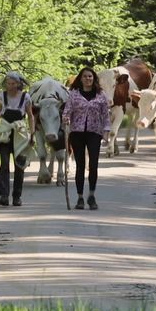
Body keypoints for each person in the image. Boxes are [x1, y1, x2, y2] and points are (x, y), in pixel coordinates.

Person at [62, 67, 110, 210]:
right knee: (80, 165)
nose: (88, 79)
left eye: (90, 76)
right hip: (77, 132)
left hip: (94, 132)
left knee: (93, 164)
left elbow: (105, 114)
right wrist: (65, 118)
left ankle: (91, 195)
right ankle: (80, 197)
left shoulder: (101, 95)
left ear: (94, 78)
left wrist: (106, 131)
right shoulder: (73, 94)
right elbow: (67, 111)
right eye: (85, 76)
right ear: (80, 78)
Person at [0, 71, 35, 206]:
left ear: (19, 84)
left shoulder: (26, 97)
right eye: (8, 83)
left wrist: (32, 134)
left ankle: (17, 197)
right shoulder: (2, 96)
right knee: (4, 164)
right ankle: (4, 196)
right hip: (5, 133)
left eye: (13, 83)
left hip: (20, 133)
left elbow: (30, 116)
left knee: (19, 165)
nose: (10, 86)